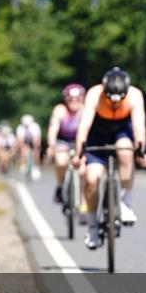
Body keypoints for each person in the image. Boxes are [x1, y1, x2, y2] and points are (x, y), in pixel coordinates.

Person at [73, 67, 146, 249]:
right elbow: (84, 126)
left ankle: (126, 203)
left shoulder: (134, 95)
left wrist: (141, 151)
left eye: (119, 100)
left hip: (121, 130)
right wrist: (78, 154)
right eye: (110, 100)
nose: (114, 103)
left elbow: (139, 126)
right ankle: (92, 226)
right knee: (92, 179)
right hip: (97, 132)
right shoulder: (94, 94)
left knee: (125, 151)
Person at [46, 83, 87, 213]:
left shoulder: (85, 110)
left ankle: (83, 200)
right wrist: (51, 145)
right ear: (66, 99)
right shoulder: (60, 110)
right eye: (70, 99)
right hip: (63, 141)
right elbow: (53, 128)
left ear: (82, 99)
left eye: (77, 99)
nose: (74, 102)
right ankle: (60, 185)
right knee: (61, 161)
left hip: (81, 142)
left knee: (83, 170)